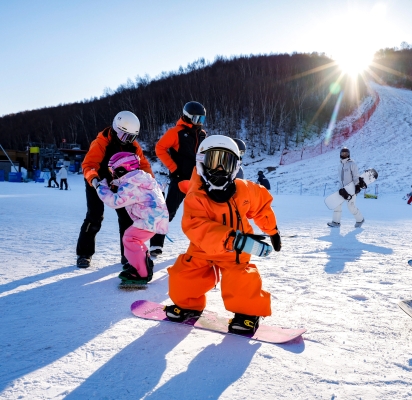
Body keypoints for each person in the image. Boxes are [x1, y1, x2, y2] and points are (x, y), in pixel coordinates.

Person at [163, 135, 281, 335]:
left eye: (225, 163)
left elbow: (261, 206)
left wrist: (272, 230)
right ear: (201, 163)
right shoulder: (195, 195)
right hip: (203, 248)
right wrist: (234, 239)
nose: (219, 169)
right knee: (183, 276)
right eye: (213, 162)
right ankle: (188, 304)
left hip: (235, 252)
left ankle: (247, 314)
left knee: (241, 279)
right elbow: (196, 226)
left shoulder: (245, 189)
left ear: (235, 167)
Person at [76, 110, 154, 268]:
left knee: (127, 218)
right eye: (126, 137)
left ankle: (128, 255)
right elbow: (89, 165)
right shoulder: (101, 143)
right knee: (94, 216)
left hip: (119, 184)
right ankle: (84, 254)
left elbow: (144, 165)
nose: (128, 141)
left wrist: (152, 184)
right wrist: (95, 180)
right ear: (116, 129)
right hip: (97, 182)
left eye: (132, 137)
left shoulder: (133, 146)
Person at [94, 152, 168, 285]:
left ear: (123, 169)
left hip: (150, 220)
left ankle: (142, 273)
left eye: (114, 171)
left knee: (130, 238)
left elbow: (114, 201)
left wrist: (101, 187)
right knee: (134, 239)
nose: (113, 174)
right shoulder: (139, 179)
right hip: (155, 218)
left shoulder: (131, 184)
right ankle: (140, 263)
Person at [149, 101, 207, 258]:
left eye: (202, 120)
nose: (200, 123)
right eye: (197, 119)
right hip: (180, 179)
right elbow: (159, 148)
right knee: (169, 211)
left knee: (201, 213)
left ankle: (200, 245)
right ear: (188, 117)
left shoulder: (202, 135)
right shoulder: (176, 132)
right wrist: (174, 169)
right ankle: (156, 244)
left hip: (198, 180)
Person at [327, 147, 365, 228]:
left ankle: (360, 220)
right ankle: (336, 222)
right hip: (342, 189)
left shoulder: (352, 164)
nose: (344, 155)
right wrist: (340, 189)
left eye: (346, 153)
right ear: (340, 154)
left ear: (349, 154)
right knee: (337, 204)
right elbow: (340, 179)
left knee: (350, 206)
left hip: (351, 189)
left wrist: (357, 186)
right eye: (342, 153)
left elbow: (356, 176)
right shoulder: (340, 166)